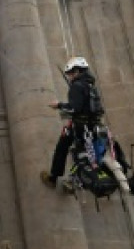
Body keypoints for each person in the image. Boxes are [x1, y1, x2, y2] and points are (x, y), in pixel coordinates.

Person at [42, 57, 101, 187]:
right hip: (93, 127)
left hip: (80, 127)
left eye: (70, 73)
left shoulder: (77, 86)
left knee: (62, 148)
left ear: (77, 71)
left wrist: (59, 105)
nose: (69, 76)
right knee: (82, 153)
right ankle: (73, 182)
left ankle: (53, 178)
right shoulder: (91, 86)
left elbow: (74, 108)